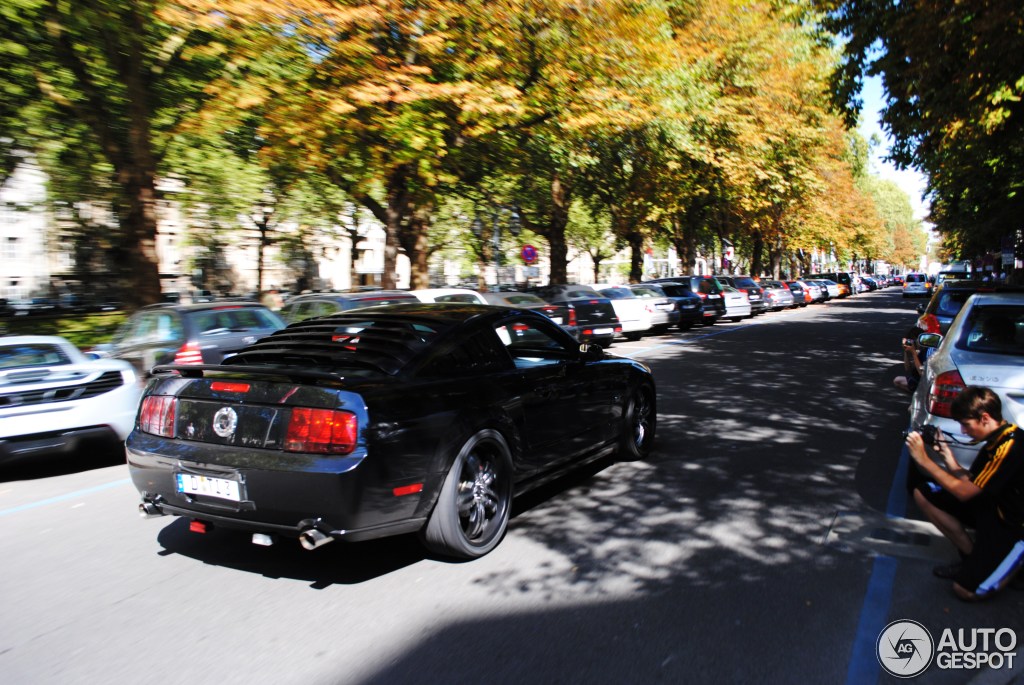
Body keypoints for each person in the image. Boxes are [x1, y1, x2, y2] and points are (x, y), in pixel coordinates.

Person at [906, 386, 1024, 601]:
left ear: (985, 418)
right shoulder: (996, 439)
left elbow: (964, 492)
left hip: (1011, 527)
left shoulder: (1010, 447)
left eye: (966, 425)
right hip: (991, 509)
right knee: (924, 493)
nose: (963, 431)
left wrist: (924, 460)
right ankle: (972, 558)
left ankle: (1013, 561)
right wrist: (948, 458)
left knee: (966, 590)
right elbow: (972, 482)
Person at [893, 326, 925, 394]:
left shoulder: (926, 352)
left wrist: (913, 353)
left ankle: (920, 394)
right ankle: (916, 393)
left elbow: (922, 373)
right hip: (916, 379)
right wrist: (906, 351)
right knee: (897, 380)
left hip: (923, 381)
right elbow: (908, 368)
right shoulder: (917, 351)